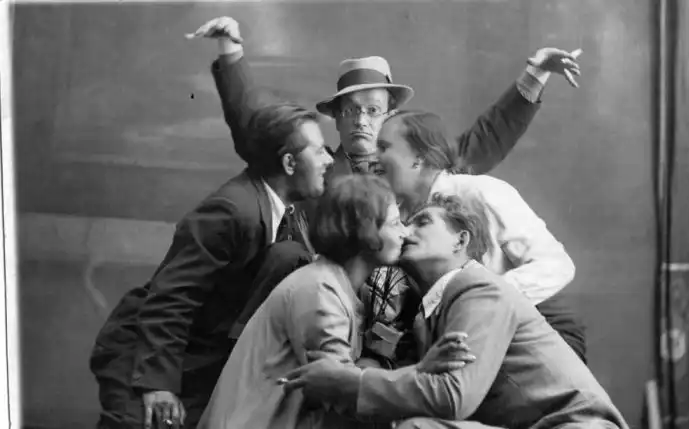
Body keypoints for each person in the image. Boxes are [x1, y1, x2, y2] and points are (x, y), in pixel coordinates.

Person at [188, 15, 583, 362]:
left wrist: (533, 77)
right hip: (332, 315)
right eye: (350, 110)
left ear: (391, 116)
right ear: (336, 119)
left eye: (373, 110)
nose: (361, 120)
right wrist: (231, 55)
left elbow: (485, 138)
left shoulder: (423, 173)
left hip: (411, 328)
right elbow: (258, 132)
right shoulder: (316, 172)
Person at [280, 194, 630, 429]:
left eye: (422, 222)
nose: (406, 231)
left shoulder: (478, 289)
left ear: (460, 241)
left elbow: (452, 395)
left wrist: (348, 384)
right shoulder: (431, 309)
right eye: (404, 223)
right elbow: (415, 385)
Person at [89, 103, 333, 429]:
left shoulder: (284, 211)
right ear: (289, 163)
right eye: (319, 151)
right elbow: (172, 297)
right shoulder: (233, 211)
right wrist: (158, 385)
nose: (329, 160)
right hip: (142, 355)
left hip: (196, 356)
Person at [197, 175, 475, 429]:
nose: (405, 233)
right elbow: (339, 391)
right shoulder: (320, 290)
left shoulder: (335, 286)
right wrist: (422, 371)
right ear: (364, 231)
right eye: (394, 223)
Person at [373, 110, 584, 361]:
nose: (374, 158)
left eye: (384, 147)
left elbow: (555, 265)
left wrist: (477, 304)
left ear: (418, 157)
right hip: (472, 339)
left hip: (544, 334)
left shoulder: (481, 193)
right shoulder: (399, 220)